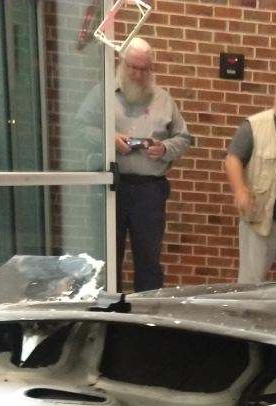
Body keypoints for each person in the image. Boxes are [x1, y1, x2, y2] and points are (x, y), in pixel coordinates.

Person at [109, 39, 192, 291]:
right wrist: (110, 139)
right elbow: (80, 128)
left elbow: (184, 138)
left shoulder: (163, 99)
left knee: (148, 261)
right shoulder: (104, 94)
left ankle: (146, 318)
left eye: (144, 69)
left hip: (149, 191)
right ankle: (109, 318)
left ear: (151, 68)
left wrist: (165, 149)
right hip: (113, 188)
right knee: (110, 258)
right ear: (122, 64)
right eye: (133, 67)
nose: (137, 74)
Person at [224, 73, 276, 284]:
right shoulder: (254, 125)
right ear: (275, 94)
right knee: (251, 284)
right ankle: (245, 318)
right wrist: (240, 190)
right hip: (261, 220)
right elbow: (232, 159)